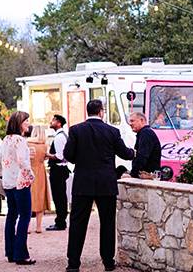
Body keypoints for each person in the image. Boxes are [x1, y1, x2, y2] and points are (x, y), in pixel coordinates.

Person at [63, 99, 135, 272]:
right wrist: (134, 152)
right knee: (107, 222)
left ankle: (73, 264)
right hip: (106, 182)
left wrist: (81, 160)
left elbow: (68, 155)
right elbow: (125, 154)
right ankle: (108, 262)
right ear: (101, 112)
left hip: (83, 182)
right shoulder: (112, 131)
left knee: (78, 223)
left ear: (88, 112)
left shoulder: (76, 130)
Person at [1, 111, 35, 266]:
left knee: (11, 216)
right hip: (21, 182)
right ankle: (21, 253)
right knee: (25, 217)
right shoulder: (20, 140)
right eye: (25, 121)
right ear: (19, 123)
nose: (28, 123)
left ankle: (10, 252)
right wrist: (31, 176)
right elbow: (23, 162)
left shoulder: (6, 139)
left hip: (9, 181)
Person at [45, 114, 69, 231]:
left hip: (58, 170)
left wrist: (47, 155)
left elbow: (60, 156)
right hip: (62, 169)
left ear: (59, 123)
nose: (51, 121)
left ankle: (60, 221)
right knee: (61, 196)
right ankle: (61, 219)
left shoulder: (59, 137)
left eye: (53, 120)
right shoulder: (62, 135)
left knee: (58, 196)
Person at [27, 125, 50, 234]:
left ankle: (27, 227)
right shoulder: (45, 145)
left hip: (29, 170)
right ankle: (39, 226)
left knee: (28, 197)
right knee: (40, 197)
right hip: (40, 171)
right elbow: (45, 157)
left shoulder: (27, 143)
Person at [128, 112, 162, 178]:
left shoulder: (146, 134)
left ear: (142, 120)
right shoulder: (144, 133)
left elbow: (142, 157)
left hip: (147, 177)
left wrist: (132, 174)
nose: (130, 124)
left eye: (132, 121)